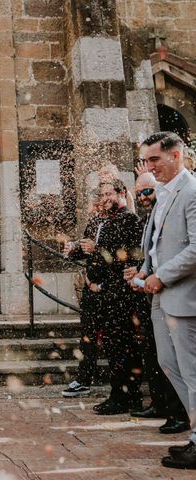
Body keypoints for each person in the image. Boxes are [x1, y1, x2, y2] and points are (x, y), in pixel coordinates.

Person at [132, 132, 196, 470]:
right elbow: (157, 245)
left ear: (176, 155)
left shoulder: (192, 191)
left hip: (184, 296)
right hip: (160, 296)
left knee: (192, 371)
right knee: (169, 364)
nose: (150, 166)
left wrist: (162, 275)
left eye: (155, 159)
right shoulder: (165, 195)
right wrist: (144, 272)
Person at [124, 173, 189, 434]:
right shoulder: (150, 214)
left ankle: (181, 416)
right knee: (162, 358)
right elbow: (151, 250)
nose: (143, 198)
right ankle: (167, 406)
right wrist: (142, 271)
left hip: (177, 292)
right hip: (153, 291)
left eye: (147, 192)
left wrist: (157, 275)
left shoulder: (184, 196)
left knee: (180, 360)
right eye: (139, 194)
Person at [82, 179, 143, 414]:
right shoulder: (107, 221)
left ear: (122, 194)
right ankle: (120, 395)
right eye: (103, 194)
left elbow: (128, 254)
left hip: (122, 295)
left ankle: (127, 397)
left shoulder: (129, 219)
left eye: (110, 194)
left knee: (123, 346)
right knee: (113, 346)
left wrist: (96, 250)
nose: (105, 198)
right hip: (107, 295)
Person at [61, 193, 107, 398]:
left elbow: (121, 253)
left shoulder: (122, 220)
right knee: (87, 336)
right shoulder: (94, 221)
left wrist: (97, 250)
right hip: (91, 289)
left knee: (115, 339)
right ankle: (84, 379)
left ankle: (123, 389)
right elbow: (84, 251)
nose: (100, 202)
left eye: (106, 195)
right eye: (99, 197)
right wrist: (73, 250)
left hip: (110, 289)